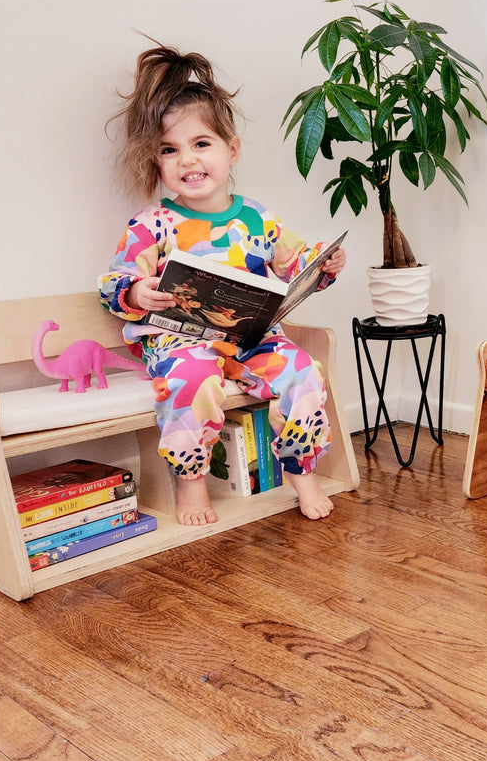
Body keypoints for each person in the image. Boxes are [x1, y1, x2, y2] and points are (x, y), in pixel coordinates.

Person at [98, 45, 347, 525]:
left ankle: (303, 472)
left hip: (250, 338)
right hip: (181, 339)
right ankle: (189, 483)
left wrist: (325, 262)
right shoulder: (152, 224)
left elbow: (299, 264)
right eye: (170, 150)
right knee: (191, 381)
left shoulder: (258, 217)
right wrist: (135, 292)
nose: (187, 160)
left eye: (201, 144)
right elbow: (114, 283)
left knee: (303, 372)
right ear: (157, 161)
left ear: (230, 150)